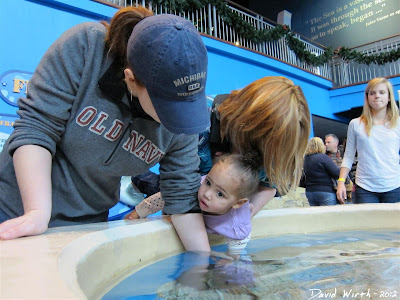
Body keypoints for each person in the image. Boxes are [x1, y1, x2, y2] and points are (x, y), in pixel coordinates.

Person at [0, 7, 212, 251]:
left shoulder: (182, 119)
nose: (180, 121)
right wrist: (36, 212)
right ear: (131, 80)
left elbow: (182, 192)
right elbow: (37, 127)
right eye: (169, 106)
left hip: (86, 223)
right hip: (14, 208)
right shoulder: (86, 47)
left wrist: (203, 267)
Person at [131, 76, 311, 217]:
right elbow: (177, 187)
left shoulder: (274, 153)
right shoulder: (200, 117)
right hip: (182, 197)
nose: (260, 156)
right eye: (258, 144)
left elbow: (268, 186)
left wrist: (244, 216)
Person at [126, 152, 261, 256]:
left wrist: (232, 257)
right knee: (149, 182)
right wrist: (138, 212)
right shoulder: (198, 185)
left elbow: (240, 242)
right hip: (176, 196)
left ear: (237, 203)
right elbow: (164, 197)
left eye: (219, 194)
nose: (207, 194)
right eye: (208, 182)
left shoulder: (235, 224)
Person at [337, 77, 400, 204]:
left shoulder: (398, 123)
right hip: (365, 188)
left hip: (394, 186)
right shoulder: (355, 124)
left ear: (389, 97)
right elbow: (348, 156)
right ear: (367, 98)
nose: (377, 96)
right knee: (369, 225)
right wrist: (341, 182)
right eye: (372, 93)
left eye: (382, 92)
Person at [303, 137, 342, 206]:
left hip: (310, 192)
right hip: (325, 191)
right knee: (328, 215)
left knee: (316, 215)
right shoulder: (323, 157)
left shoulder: (305, 159)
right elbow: (336, 173)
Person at [325, 133, 353, 200]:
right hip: (331, 188)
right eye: (325, 142)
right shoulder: (324, 156)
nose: (326, 144)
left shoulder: (344, 154)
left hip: (346, 187)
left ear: (336, 143)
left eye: (328, 142)